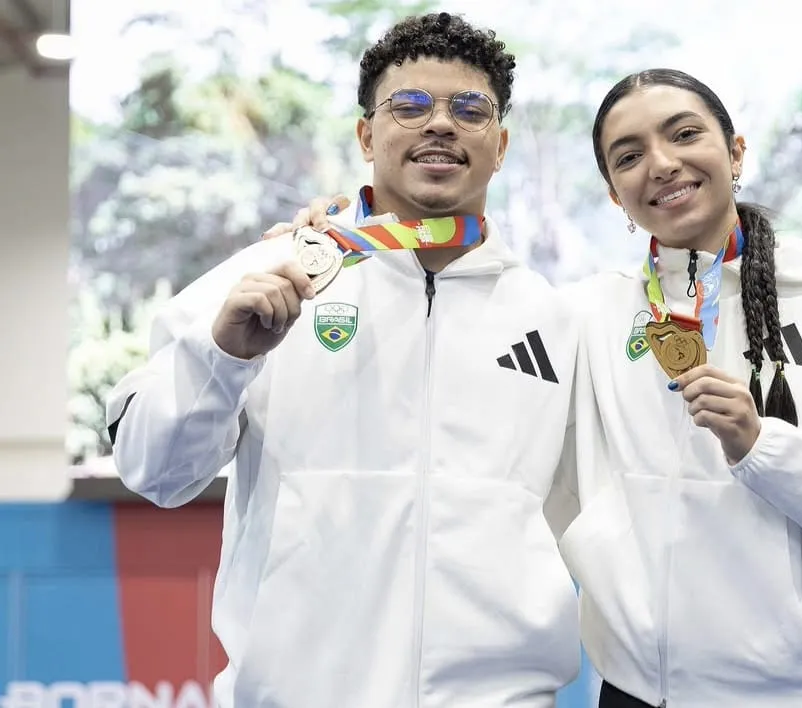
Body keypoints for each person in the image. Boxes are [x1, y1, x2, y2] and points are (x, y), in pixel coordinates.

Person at [288, 68, 802, 707]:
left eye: (685, 134)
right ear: (616, 195)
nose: (662, 164)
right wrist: (347, 231)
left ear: (736, 150)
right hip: (636, 694)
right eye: (629, 155)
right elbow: (451, 329)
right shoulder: (581, 318)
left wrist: (764, 448)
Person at [106, 13, 582, 708]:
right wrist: (223, 358)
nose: (440, 124)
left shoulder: (553, 318)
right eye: (410, 105)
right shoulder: (268, 277)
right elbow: (156, 473)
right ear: (366, 134)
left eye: (469, 109)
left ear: (501, 144)